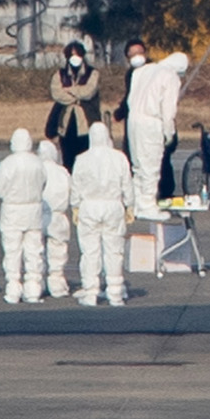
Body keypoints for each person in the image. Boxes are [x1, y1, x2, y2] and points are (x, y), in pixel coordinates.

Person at [70, 122, 135, 307]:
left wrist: (75, 206)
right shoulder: (119, 158)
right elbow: (127, 184)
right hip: (113, 206)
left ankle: (90, 292)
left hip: (89, 207)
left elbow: (76, 185)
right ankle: (115, 292)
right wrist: (130, 205)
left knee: (90, 251)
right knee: (114, 250)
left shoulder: (82, 159)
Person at [126, 51, 189, 219]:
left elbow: (130, 98)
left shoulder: (143, 70)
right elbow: (168, 110)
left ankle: (137, 203)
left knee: (138, 164)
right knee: (150, 164)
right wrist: (169, 132)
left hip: (133, 119)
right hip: (151, 121)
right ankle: (147, 205)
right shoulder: (170, 77)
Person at [0, 128, 49, 303]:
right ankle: (33, 288)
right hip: (33, 210)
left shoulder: (8, 163)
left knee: (12, 251)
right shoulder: (38, 163)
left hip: (12, 211)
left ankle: (13, 288)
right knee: (34, 251)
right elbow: (44, 183)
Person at [46, 41, 101, 169]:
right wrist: (77, 95)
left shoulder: (92, 73)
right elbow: (57, 94)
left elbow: (88, 92)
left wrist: (69, 90)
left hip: (86, 122)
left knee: (86, 160)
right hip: (66, 123)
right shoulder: (59, 74)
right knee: (68, 160)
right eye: (71, 55)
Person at [38, 139, 74, 298]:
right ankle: (57, 284)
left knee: (36, 252)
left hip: (38, 215)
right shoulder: (62, 172)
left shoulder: (36, 169)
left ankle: (36, 284)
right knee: (58, 251)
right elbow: (73, 192)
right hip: (58, 216)